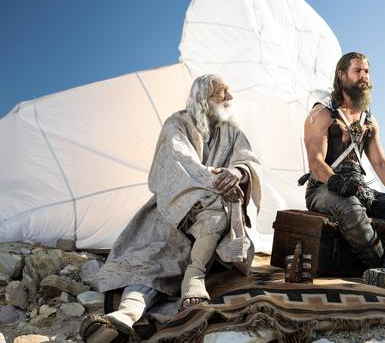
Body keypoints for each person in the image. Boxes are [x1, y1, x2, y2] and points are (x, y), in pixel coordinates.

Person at [80, 74, 261, 342]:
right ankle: (123, 317)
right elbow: (179, 164)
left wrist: (236, 173)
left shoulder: (233, 133)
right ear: (202, 98)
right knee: (153, 260)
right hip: (174, 210)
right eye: (221, 93)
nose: (229, 98)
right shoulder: (177, 124)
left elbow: (247, 161)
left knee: (220, 208)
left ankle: (194, 277)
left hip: (213, 216)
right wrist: (216, 182)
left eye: (228, 92)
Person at [301, 52, 385, 296]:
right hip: (322, 188)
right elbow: (315, 162)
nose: (363, 76)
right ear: (341, 75)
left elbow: (380, 163)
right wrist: (335, 181)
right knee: (351, 207)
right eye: (357, 71)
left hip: (358, 187)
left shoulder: (369, 120)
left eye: (367, 72)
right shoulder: (321, 114)